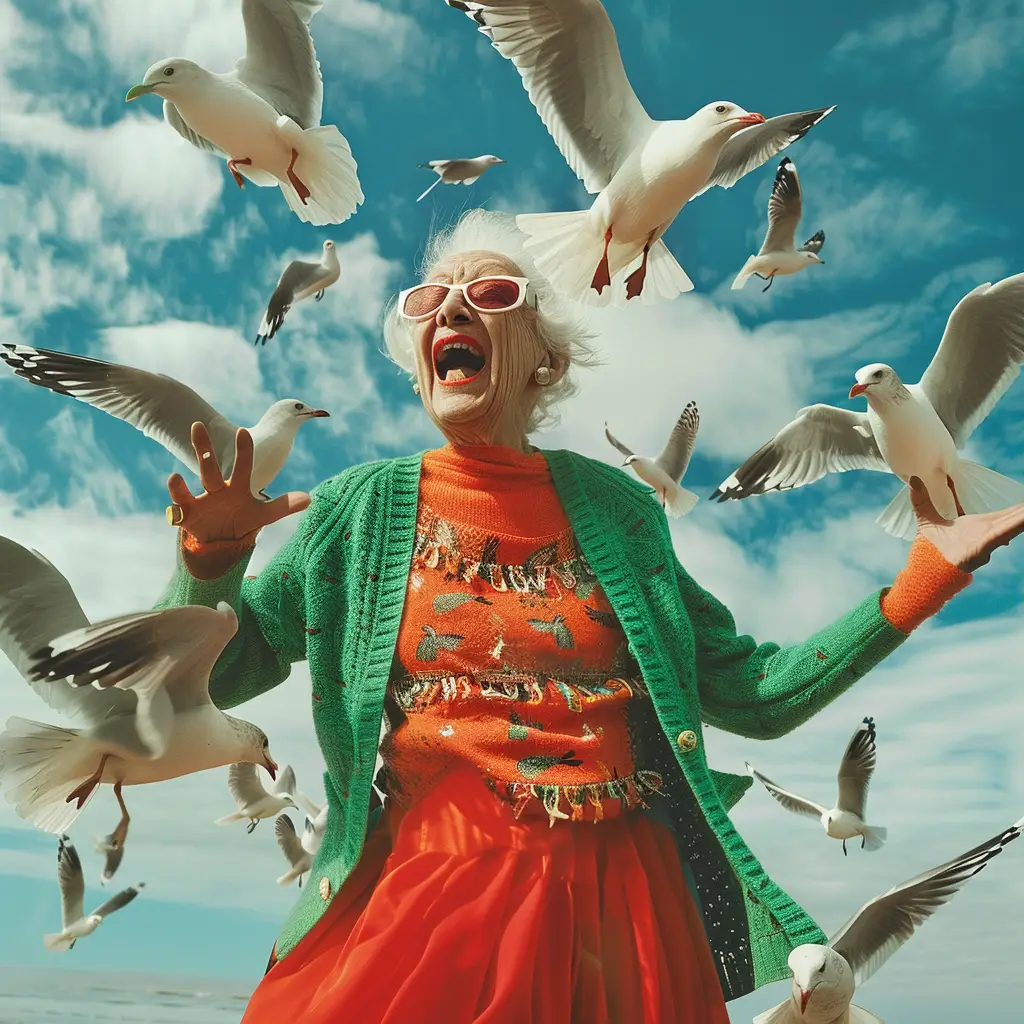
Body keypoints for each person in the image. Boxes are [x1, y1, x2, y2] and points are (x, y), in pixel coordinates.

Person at [157, 210, 1024, 1023]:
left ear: (545, 358)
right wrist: (208, 569)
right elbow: (194, 690)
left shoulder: (622, 510)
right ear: (419, 354)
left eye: (492, 294)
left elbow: (754, 694)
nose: (452, 307)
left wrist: (921, 579)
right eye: (428, 300)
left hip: (629, 919)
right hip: (429, 890)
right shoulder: (360, 508)